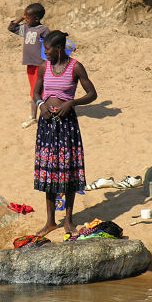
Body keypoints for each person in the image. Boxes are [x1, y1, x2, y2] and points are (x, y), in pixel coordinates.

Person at [32, 30, 97, 236]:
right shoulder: (44, 67)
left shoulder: (75, 67)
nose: (45, 53)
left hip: (67, 125)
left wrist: (72, 102)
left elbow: (92, 94)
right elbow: (35, 92)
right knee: (49, 171)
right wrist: (41, 104)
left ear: (59, 49)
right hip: (47, 125)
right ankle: (51, 221)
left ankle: (68, 220)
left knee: (69, 172)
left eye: (48, 49)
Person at [8, 3, 50, 128]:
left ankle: (38, 116)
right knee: (33, 90)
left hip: (40, 65)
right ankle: (34, 116)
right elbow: (11, 28)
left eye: (27, 17)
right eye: (25, 17)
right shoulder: (26, 28)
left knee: (37, 91)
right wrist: (21, 17)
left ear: (36, 19)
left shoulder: (43, 30)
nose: (25, 19)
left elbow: (51, 42)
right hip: (30, 65)